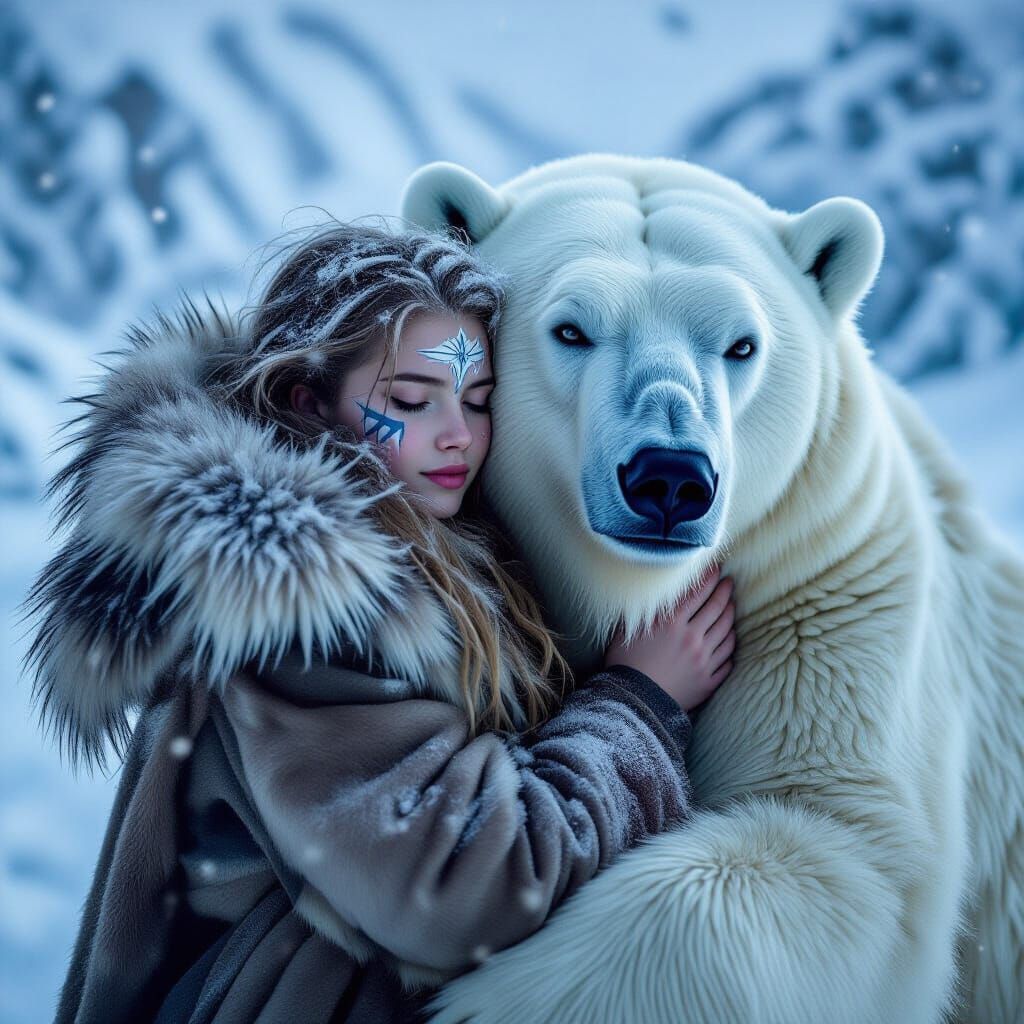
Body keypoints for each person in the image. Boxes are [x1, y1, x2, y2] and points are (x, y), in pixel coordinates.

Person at [24, 221, 736, 1024]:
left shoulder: (445, 545)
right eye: (410, 401)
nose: (457, 435)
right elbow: (463, 893)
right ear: (309, 401)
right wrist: (637, 704)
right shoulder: (297, 609)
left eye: (477, 400)